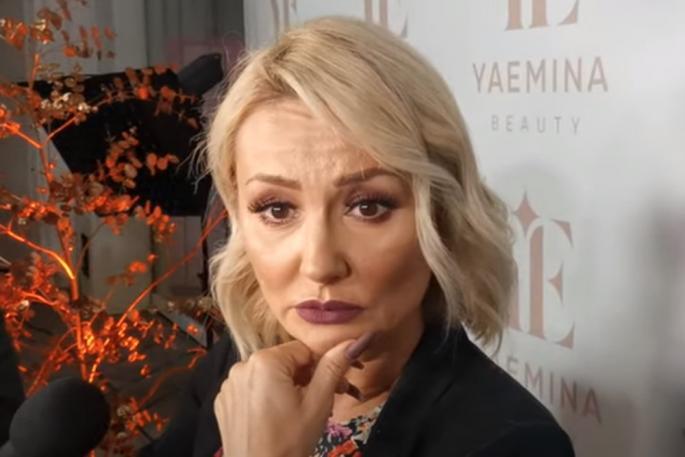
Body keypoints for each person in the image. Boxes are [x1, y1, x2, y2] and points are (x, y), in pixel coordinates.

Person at [140, 16, 575, 457]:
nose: (319, 264)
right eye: (277, 209)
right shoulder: (241, 367)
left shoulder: (514, 444)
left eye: (368, 206)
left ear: (442, 216)